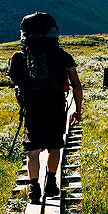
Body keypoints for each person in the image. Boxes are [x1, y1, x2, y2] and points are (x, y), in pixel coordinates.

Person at [8, 11, 84, 203]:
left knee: (33, 150)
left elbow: (18, 86)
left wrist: (23, 106)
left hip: (33, 106)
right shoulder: (63, 56)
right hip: (56, 104)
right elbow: (76, 84)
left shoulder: (19, 57)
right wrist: (78, 109)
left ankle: (34, 189)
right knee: (55, 146)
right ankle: (51, 182)